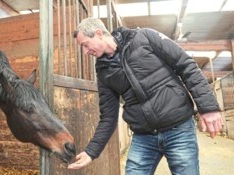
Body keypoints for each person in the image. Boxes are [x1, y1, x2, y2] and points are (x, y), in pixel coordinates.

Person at [67, 17, 223, 175]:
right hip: (143, 136)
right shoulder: (103, 71)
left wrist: (208, 107)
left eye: (85, 45)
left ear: (99, 33)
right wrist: (91, 152)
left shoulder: (144, 37)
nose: (85, 52)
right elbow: (108, 116)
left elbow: (186, 65)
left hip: (178, 128)